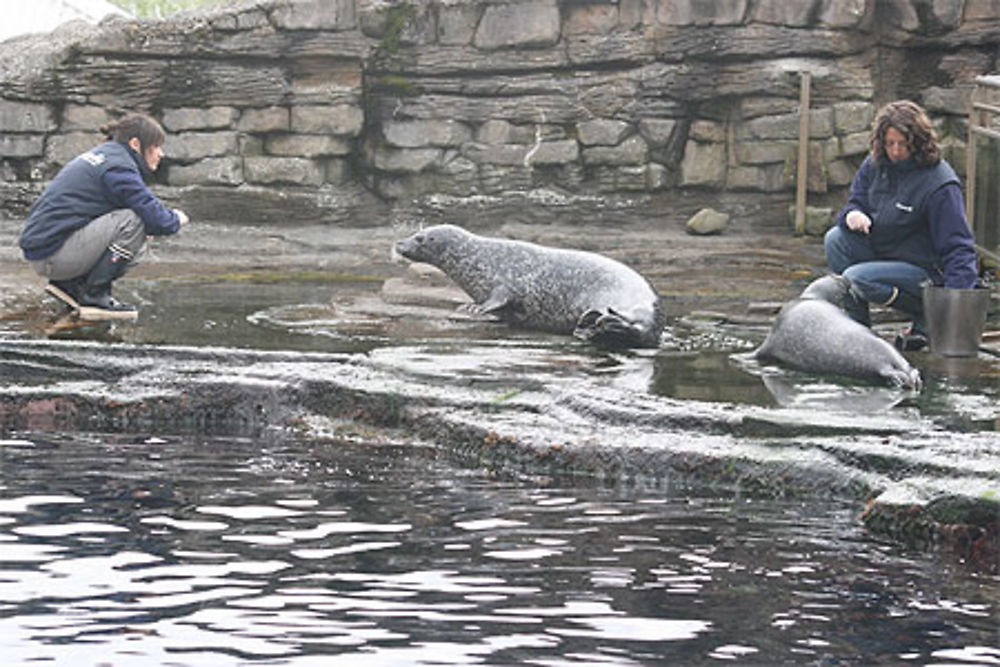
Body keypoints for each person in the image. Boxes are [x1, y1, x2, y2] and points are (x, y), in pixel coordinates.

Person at [824, 99, 979, 351]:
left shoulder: (940, 184)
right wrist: (853, 214)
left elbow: (959, 248)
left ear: (918, 142)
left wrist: (953, 307)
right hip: (884, 254)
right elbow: (855, 202)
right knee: (835, 240)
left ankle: (925, 316)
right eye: (889, 144)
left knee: (855, 278)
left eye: (903, 145)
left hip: (924, 273)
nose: (895, 151)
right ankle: (858, 329)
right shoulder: (875, 164)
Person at [19, 112, 189, 319]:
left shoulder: (105, 156)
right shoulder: (118, 166)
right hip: (54, 256)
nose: (161, 154)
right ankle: (95, 297)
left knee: (134, 224)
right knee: (134, 221)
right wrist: (177, 218)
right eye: (156, 146)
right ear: (136, 144)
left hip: (48, 251)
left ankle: (71, 286)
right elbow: (156, 219)